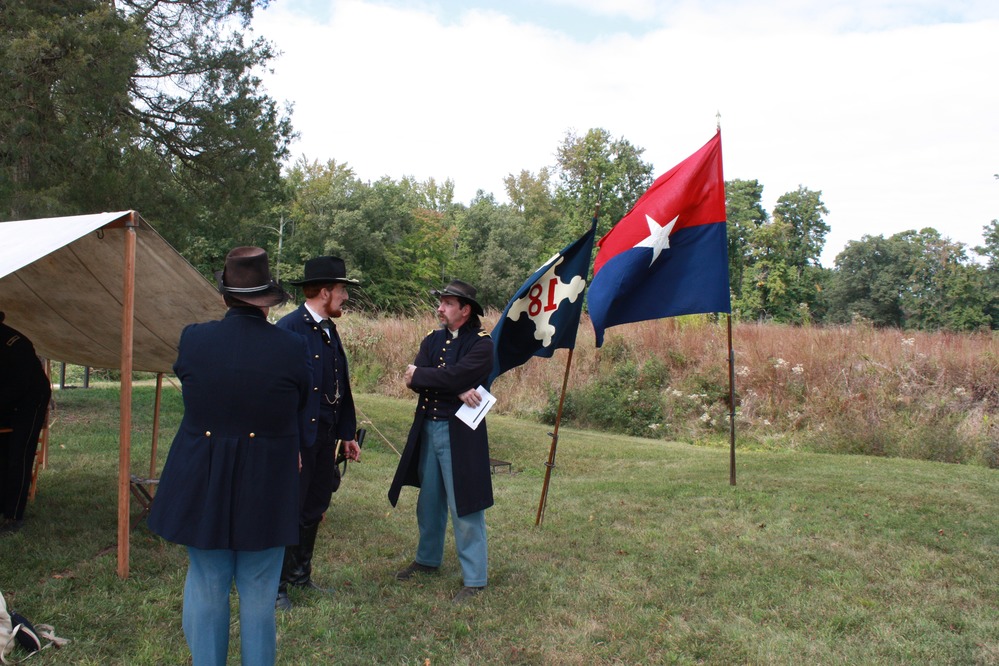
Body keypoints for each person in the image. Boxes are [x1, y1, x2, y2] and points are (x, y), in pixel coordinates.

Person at [147, 247, 311, 666]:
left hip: (203, 476)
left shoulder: (194, 339)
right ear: (267, 301)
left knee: (207, 585)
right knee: (258, 594)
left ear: (225, 296)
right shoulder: (292, 348)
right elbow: (299, 408)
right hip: (268, 480)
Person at [388, 279, 495, 604]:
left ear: (465, 310)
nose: (440, 308)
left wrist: (430, 377)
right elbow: (417, 381)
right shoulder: (432, 340)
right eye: (441, 302)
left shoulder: (482, 344)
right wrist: (455, 385)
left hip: (460, 434)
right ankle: (427, 559)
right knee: (429, 500)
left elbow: (424, 375)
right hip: (428, 428)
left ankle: (475, 578)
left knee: (465, 503)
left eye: (447, 304)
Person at [274, 256, 361, 611]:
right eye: (341, 290)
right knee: (288, 509)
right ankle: (275, 587)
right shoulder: (289, 329)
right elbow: (278, 393)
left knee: (314, 505)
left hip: (324, 436)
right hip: (297, 439)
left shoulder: (329, 328)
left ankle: (299, 576)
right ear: (324, 292)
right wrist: (287, 442)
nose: (344, 297)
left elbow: (339, 384)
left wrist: (347, 433)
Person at [0, 312, 52, 536]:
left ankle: (14, 515)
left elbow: (19, 386)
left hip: (30, 401)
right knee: (2, 452)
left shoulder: (15, 345)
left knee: (18, 457)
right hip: (7, 400)